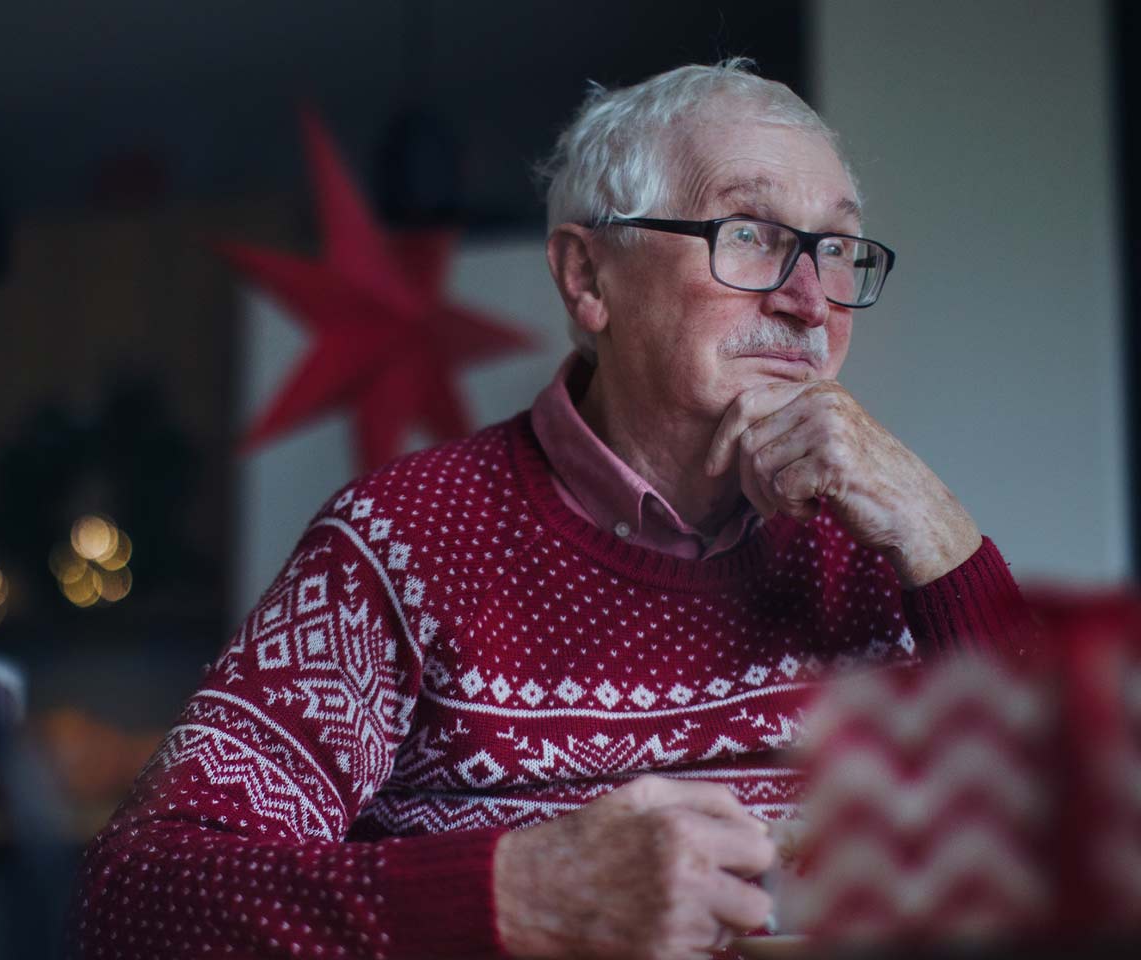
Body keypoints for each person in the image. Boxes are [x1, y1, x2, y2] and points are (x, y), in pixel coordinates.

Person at [69, 59, 1029, 959]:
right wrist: (517, 895)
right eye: (751, 234)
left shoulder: (886, 542)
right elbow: (137, 899)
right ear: (588, 278)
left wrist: (944, 538)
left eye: (837, 247)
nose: (813, 301)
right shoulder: (402, 540)